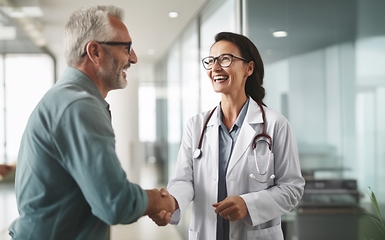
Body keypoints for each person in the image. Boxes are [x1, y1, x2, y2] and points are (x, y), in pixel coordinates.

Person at [8, 5, 174, 240]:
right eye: (127, 47)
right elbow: (115, 203)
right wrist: (155, 200)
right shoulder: (78, 105)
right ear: (95, 52)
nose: (133, 58)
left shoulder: (67, 99)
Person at [150, 32, 305, 240]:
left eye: (225, 59)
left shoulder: (276, 124)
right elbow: (184, 181)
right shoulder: (196, 126)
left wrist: (249, 205)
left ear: (248, 68)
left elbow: (292, 189)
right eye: (211, 60)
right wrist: (172, 203)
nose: (215, 68)